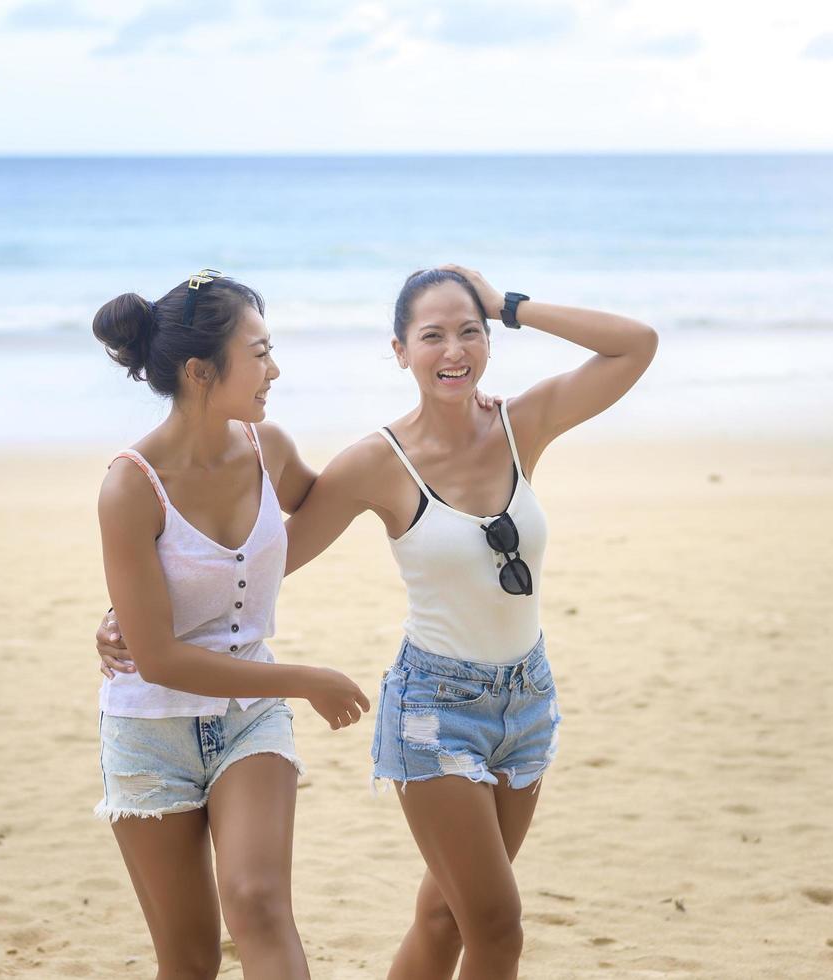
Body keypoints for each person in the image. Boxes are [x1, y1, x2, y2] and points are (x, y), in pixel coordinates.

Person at [99, 264, 658, 978]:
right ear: (399, 351)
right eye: (431, 336)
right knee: (492, 926)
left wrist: (505, 304)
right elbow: (250, 560)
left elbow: (635, 345)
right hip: (424, 708)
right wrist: (130, 615)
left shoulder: (518, 425)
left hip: (524, 699)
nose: (453, 350)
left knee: (431, 916)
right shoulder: (370, 461)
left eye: (469, 332)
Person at [91, 269, 371, 980]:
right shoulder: (130, 486)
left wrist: (424, 433)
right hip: (149, 732)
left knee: (258, 903)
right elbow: (155, 658)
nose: (274, 369)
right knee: (187, 961)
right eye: (260, 351)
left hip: (250, 717)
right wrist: (305, 678)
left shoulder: (267, 447)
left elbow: (318, 511)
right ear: (200, 371)